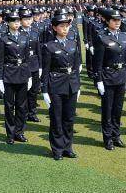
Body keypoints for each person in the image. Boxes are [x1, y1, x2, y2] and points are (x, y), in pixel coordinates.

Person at [41, 11, 81, 160]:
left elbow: (76, 68)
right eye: (62, 26)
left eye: (67, 26)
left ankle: (67, 146)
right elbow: (45, 70)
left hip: (71, 84)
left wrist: (78, 86)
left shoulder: (73, 43)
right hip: (56, 85)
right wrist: (44, 90)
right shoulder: (49, 46)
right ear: (54, 27)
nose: (65, 28)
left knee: (69, 118)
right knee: (57, 118)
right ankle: (57, 148)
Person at [92, 9, 126, 150]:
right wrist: (99, 80)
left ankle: (116, 135)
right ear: (107, 21)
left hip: (120, 76)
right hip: (107, 77)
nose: (117, 22)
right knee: (107, 109)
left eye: (119, 20)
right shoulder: (101, 37)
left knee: (118, 109)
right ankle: (107, 138)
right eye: (114, 20)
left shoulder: (123, 36)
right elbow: (98, 62)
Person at [0, 10, 32, 145]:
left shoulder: (25, 37)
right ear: (8, 23)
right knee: (9, 105)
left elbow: (27, 59)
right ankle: (10, 133)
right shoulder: (3, 39)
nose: (17, 24)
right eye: (14, 21)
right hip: (9, 74)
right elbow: (0, 60)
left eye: (18, 21)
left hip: (22, 73)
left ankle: (19, 132)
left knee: (22, 106)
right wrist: (0, 78)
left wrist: (29, 76)